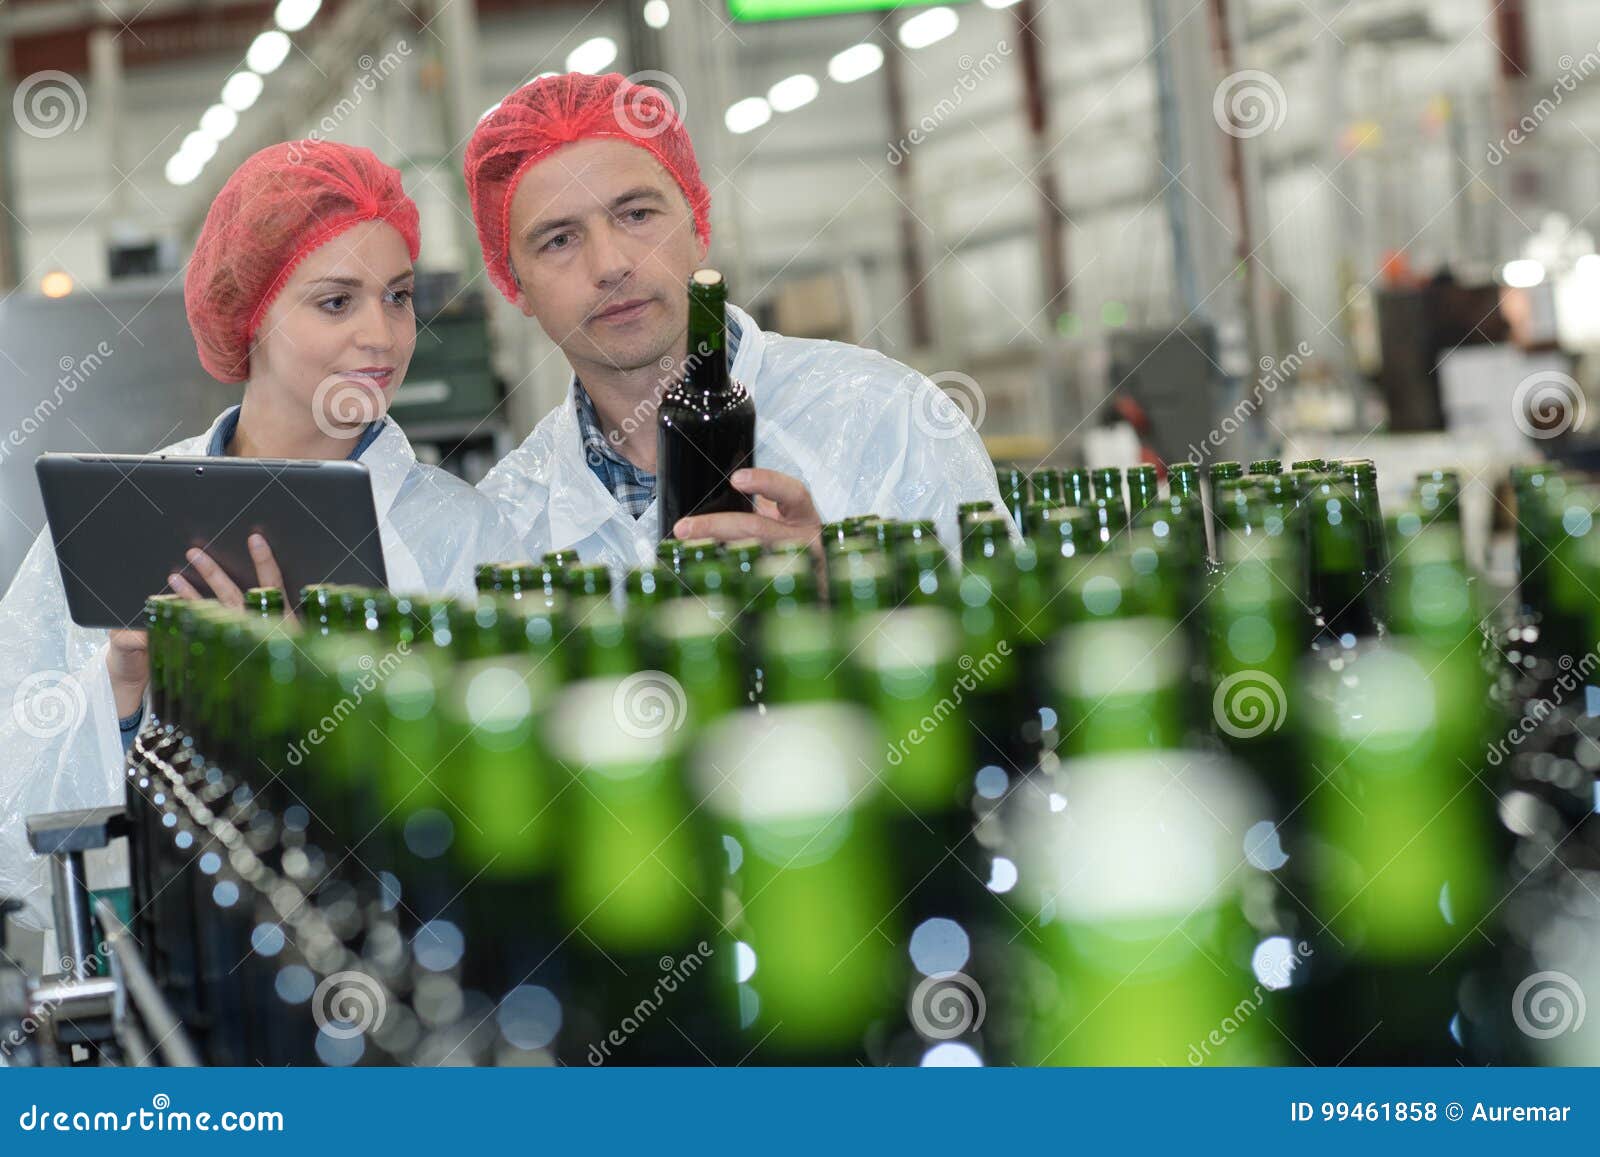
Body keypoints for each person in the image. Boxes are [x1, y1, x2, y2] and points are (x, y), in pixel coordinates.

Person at [0, 140, 517, 926]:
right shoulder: (118, 512)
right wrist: (123, 687)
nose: (382, 336)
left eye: (399, 296)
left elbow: (514, 804)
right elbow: (17, 823)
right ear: (250, 315)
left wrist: (316, 691)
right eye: (336, 301)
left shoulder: (465, 535)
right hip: (176, 960)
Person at [464, 72, 1006, 572]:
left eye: (636, 214)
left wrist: (851, 589)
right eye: (559, 240)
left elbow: (1010, 624)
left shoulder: (886, 415)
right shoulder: (502, 518)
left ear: (698, 227)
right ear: (514, 284)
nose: (610, 265)